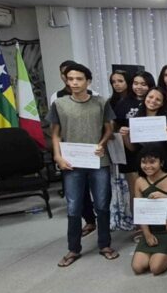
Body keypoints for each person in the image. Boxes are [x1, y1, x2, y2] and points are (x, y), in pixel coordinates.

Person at [49, 62, 118, 267]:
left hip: (98, 160)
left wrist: (102, 144)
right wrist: (58, 156)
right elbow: (55, 134)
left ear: (88, 81)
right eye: (70, 79)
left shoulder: (101, 102)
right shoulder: (59, 104)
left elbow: (109, 129)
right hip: (71, 162)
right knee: (73, 206)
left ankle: (105, 245)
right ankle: (73, 249)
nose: (74, 83)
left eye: (79, 79)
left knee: (102, 204)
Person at [131, 145, 167, 276]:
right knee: (137, 267)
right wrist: (147, 234)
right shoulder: (139, 181)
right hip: (151, 230)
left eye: (152, 162)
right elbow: (140, 211)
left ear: (161, 162)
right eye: (144, 162)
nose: (147, 166)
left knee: (155, 268)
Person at [114, 71, 155, 206]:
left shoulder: (154, 101)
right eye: (136, 83)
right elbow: (116, 126)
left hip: (153, 151)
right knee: (135, 191)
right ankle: (137, 218)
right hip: (130, 152)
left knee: (154, 190)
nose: (139, 87)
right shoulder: (123, 103)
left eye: (143, 84)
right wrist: (121, 131)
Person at [123, 87, 167, 174]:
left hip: (165, 164)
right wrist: (125, 136)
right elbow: (133, 148)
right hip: (144, 165)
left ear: (162, 103)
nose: (153, 101)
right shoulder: (135, 119)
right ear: (145, 98)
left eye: (158, 99)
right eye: (150, 97)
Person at [107, 69, 133, 233]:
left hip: (136, 146)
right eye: (113, 82)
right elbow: (110, 126)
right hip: (119, 147)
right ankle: (126, 218)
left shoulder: (136, 101)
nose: (117, 84)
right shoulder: (111, 103)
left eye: (120, 81)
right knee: (125, 186)